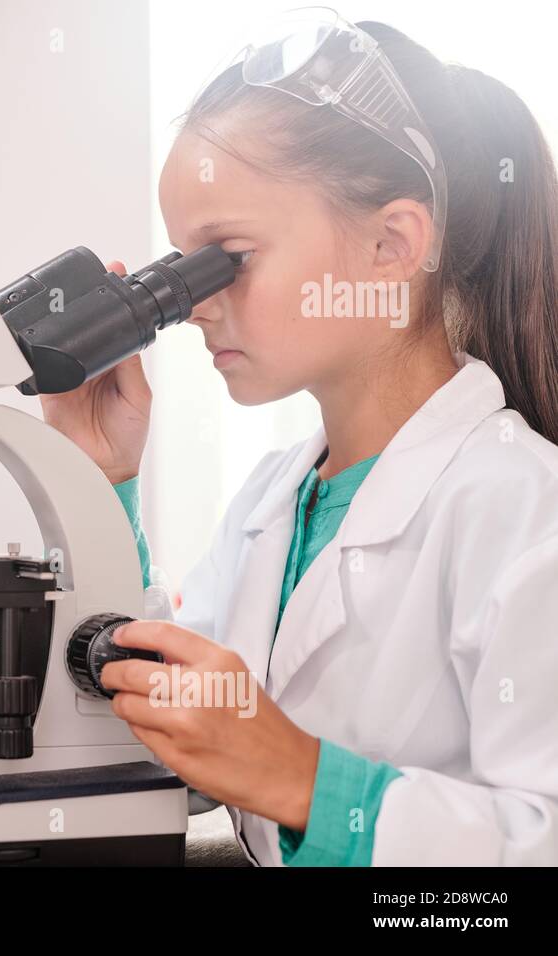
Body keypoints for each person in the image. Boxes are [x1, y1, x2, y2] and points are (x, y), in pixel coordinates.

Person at [45, 14, 558, 865]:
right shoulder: (276, 499)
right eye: (180, 264)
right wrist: (105, 482)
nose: (192, 302)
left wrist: (304, 782)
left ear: (392, 245)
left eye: (227, 258)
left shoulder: (522, 508)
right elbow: (174, 724)